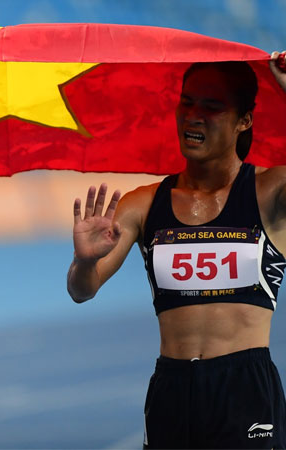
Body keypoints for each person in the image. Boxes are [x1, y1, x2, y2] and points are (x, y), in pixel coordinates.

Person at [67, 54, 286, 449]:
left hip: (245, 390)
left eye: (211, 106)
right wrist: (84, 262)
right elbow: (82, 290)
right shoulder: (143, 203)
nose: (193, 116)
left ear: (244, 120)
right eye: (187, 102)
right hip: (172, 390)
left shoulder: (269, 193)